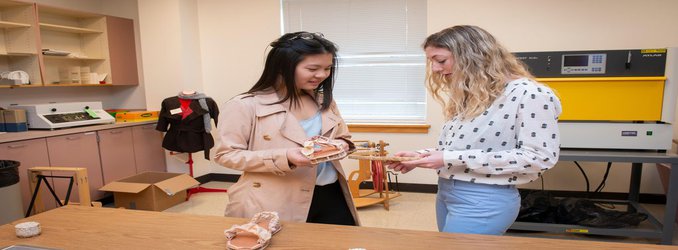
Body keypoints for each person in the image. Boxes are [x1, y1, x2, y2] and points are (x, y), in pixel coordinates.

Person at [388, 25, 562, 235]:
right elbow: (462, 147)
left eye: (441, 60)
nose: (434, 69)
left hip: (484, 199)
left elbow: (539, 157)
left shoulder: (531, 94)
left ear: (473, 55)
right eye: (431, 61)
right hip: (447, 191)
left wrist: (448, 158)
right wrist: (421, 156)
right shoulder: (473, 94)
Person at [214, 31, 359, 226]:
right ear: (283, 66)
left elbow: (344, 136)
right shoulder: (245, 105)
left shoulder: (324, 100)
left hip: (331, 193)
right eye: (313, 68)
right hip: (273, 199)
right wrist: (286, 157)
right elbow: (226, 155)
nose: (322, 75)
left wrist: (340, 145)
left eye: (327, 68)